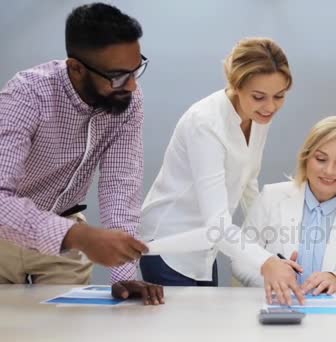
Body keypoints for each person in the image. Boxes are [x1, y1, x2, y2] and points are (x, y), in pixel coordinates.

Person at [0, 3, 162, 305]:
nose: (132, 84)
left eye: (136, 68)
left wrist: (124, 273)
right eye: (117, 75)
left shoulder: (128, 100)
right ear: (76, 67)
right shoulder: (27, 95)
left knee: (69, 331)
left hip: (64, 236)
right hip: (6, 239)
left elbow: (120, 185)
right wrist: (78, 237)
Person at [139, 37, 303, 305]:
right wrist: (265, 261)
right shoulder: (205, 123)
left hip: (207, 245)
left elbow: (248, 183)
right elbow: (217, 222)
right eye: (259, 96)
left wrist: (269, 248)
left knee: (208, 326)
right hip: (170, 245)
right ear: (236, 86)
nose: (270, 106)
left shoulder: (258, 116)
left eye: (279, 96)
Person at [232, 116, 336, 294]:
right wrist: (270, 272)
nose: (329, 171)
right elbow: (240, 261)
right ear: (306, 157)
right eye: (321, 159)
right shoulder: (271, 197)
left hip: (332, 317)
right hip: (276, 309)